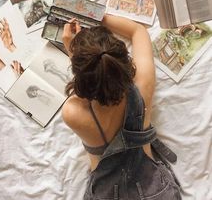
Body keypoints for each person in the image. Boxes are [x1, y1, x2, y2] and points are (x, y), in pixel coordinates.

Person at [61, 15, 181, 199]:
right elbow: (138, 31)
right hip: (155, 192)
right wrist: (96, 14)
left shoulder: (73, 113)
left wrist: (73, 51)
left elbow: (86, 85)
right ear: (126, 62)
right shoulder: (143, 85)